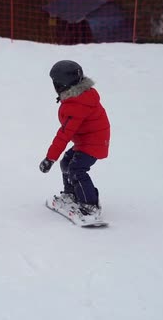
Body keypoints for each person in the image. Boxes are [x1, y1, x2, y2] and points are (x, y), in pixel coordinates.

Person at [39, 60, 111, 220]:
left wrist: (50, 158)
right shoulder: (80, 97)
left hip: (93, 143)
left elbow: (64, 134)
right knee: (67, 162)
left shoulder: (77, 104)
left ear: (62, 84)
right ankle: (71, 194)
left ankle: (90, 204)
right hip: (89, 140)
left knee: (76, 169)